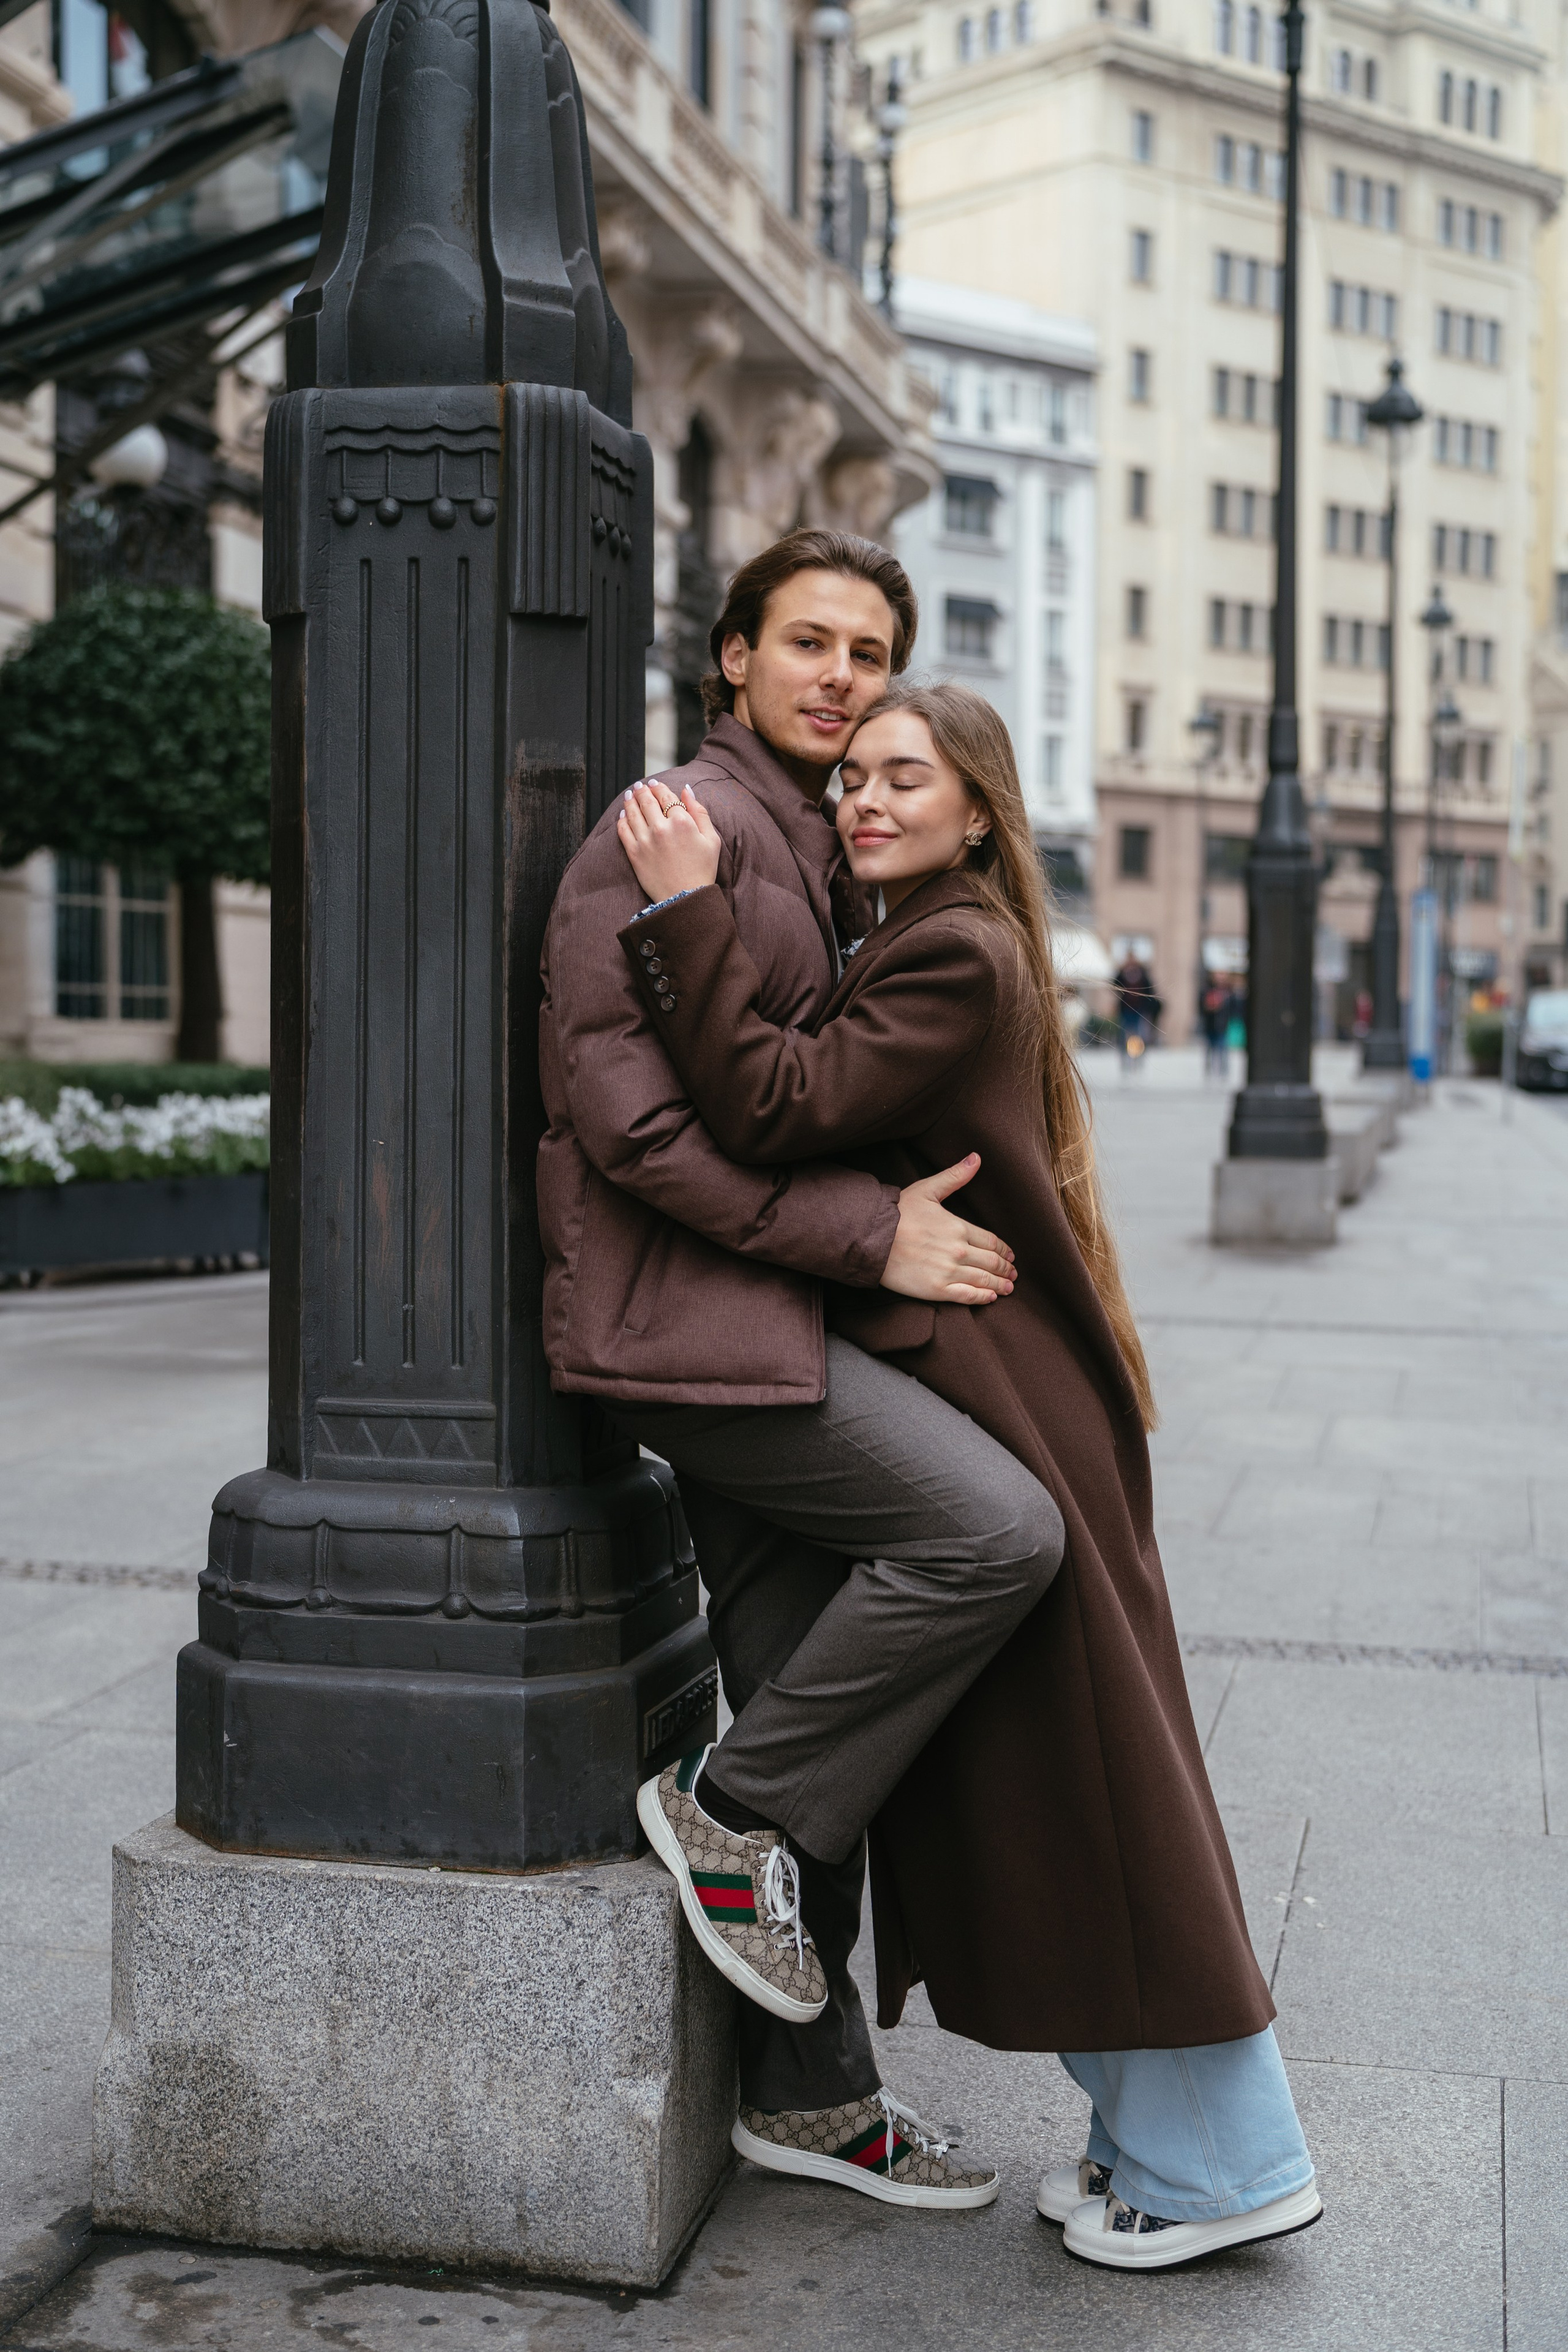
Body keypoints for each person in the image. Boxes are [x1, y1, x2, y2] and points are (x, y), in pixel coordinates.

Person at [613, 680, 1320, 2272]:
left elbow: (775, 1103)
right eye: (852, 776)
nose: (865, 799)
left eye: (904, 780)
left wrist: (681, 914)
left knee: (1106, 1790)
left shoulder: (949, 947)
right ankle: (1152, 2146)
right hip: (1007, 1400)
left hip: (1017, 1414)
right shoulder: (933, 940)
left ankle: (1226, 2168)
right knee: (1063, 1781)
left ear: (980, 810)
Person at [540, 527, 1056, 2212]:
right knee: (994, 1536)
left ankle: (812, 2099)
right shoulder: (668, 840)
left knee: (819, 1700)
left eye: (866, 652)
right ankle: (723, 1807)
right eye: (808, 644)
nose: (839, 676)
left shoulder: (817, 849)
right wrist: (868, 1238)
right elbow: (635, 1135)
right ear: (733, 662)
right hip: (687, 1338)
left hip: (764, 1335)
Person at [1114, 951, 1156, 1067]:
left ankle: (1137, 1059)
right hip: (1126, 1009)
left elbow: (1149, 989)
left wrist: (1147, 1008)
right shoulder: (1123, 973)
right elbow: (1114, 984)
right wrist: (1121, 970)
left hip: (1139, 1010)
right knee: (1124, 1036)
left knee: (1138, 1036)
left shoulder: (1142, 973)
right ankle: (1125, 1061)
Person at [1200, 973, 1231, 1077]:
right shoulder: (1206, 991)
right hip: (1211, 1025)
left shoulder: (1227, 993)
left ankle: (1223, 1071)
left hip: (1222, 1026)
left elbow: (1231, 1008)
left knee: (1223, 1049)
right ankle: (1209, 1070)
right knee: (1210, 1049)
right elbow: (1201, 1007)